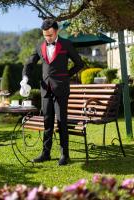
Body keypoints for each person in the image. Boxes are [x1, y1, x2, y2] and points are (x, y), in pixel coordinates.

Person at [20, 19, 84, 165]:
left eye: (50, 35)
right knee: (47, 121)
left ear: (57, 31)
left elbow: (79, 63)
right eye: (45, 35)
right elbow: (29, 64)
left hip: (61, 89)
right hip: (45, 89)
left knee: (61, 121)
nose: (47, 38)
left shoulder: (66, 44)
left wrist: (66, 75)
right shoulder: (40, 46)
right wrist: (24, 79)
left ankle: (64, 155)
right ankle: (45, 153)